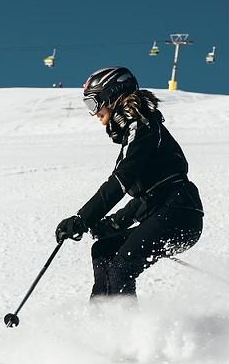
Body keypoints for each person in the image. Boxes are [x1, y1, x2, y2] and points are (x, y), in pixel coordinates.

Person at [55, 67, 204, 299]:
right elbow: (151, 195)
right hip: (169, 211)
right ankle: (100, 324)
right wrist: (114, 223)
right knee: (103, 250)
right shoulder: (137, 130)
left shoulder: (142, 127)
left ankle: (124, 328)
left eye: (93, 104)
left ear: (112, 95)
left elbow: (121, 180)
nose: (94, 113)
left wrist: (83, 219)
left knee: (122, 267)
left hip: (179, 214)